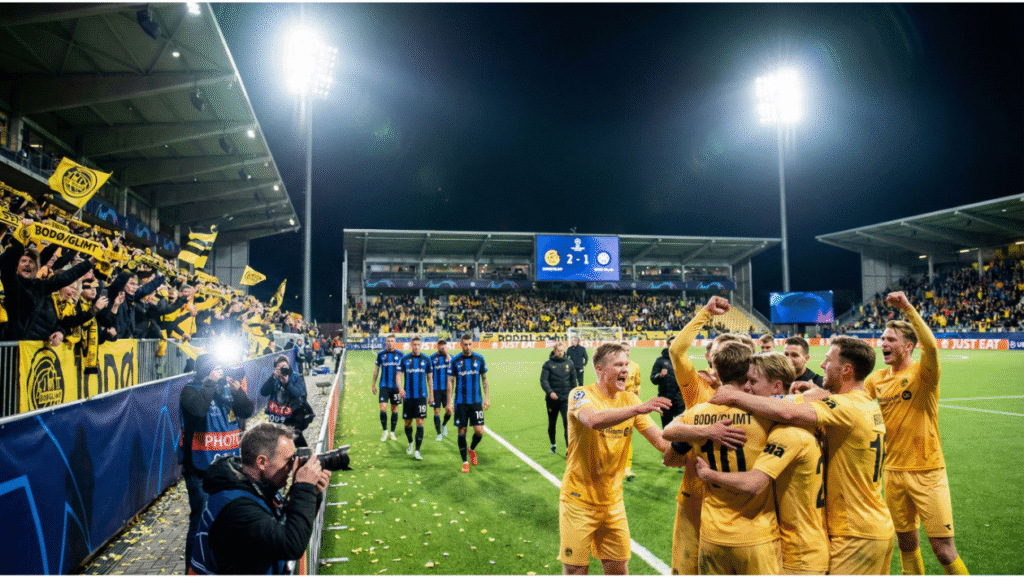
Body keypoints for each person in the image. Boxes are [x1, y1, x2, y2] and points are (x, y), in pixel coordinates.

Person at [710, 336, 895, 575]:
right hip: (872, 523)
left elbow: (787, 413)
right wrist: (814, 391)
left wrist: (735, 396)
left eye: (828, 361)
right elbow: (803, 403)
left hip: (854, 531)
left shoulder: (839, 410)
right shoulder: (866, 403)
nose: (821, 366)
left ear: (846, 369)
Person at [693, 352, 828, 575]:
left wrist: (708, 475)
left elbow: (754, 483)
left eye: (752, 382)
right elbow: (818, 395)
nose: (746, 388)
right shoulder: (792, 417)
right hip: (799, 541)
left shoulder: (787, 431)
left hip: (800, 552)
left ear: (776, 387)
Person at [865, 291, 968, 575]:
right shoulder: (877, 379)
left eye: (890, 340)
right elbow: (851, 400)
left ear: (908, 346)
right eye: (882, 339)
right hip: (893, 471)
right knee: (906, 544)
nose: (882, 343)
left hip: (927, 471)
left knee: (943, 549)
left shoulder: (925, 372)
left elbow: (931, 347)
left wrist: (909, 309)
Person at [663, 342, 780, 575]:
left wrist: (704, 430)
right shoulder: (767, 413)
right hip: (757, 532)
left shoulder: (696, 414)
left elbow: (669, 439)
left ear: (715, 371)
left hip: (712, 532)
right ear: (749, 371)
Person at [558, 342, 672, 575]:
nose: (625, 370)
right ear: (599, 369)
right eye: (618, 364)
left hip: (613, 504)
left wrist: (701, 438)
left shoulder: (630, 400)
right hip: (578, 501)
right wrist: (637, 409)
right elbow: (593, 420)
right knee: (576, 571)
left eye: (626, 364)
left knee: (618, 569)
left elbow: (662, 443)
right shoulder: (580, 394)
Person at [189, 422, 332, 574]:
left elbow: (288, 524)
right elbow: (291, 544)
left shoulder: (257, 484)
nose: (292, 467)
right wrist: (304, 488)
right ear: (262, 462)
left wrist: (312, 493)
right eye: (288, 460)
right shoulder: (236, 507)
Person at [661, 295, 732, 576]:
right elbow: (677, 351)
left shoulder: (752, 392)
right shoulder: (697, 385)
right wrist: (705, 313)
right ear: (709, 358)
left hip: (737, 497)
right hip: (695, 493)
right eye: (720, 355)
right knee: (687, 569)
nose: (726, 361)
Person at [179, 353, 254, 573]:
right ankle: (192, 571)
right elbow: (198, 410)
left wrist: (236, 389)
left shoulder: (225, 391)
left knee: (228, 519)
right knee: (200, 522)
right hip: (200, 470)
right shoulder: (190, 391)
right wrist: (210, 382)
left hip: (229, 468)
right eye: (214, 369)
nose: (220, 372)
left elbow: (247, 410)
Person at [447, 333, 490, 473]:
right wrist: (449, 401)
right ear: (461, 344)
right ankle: (465, 461)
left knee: (479, 430)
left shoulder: (479, 359)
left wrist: (487, 397)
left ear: (473, 343)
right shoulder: (455, 361)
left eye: (470, 344)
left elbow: (484, 379)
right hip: (461, 402)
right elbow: (450, 381)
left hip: (476, 401)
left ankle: (471, 448)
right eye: (465, 344)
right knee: (462, 431)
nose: (468, 347)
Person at [260, 355, 310, 448]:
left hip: (293, 417)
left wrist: (287, 384)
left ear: (288, 365)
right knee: (277, 444)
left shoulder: (297, 377)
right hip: (276, 417)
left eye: (284, 367)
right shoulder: (274, 378)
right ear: (275, 369)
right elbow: (263, 392)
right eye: (279, 368)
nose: (282, 369)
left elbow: (297, 394)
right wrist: (273, 377)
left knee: (296, 441)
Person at [398, 336, 433, 460]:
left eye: (418, 344)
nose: (416, 347)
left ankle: (417, 450)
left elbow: (430, 379)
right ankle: (410, 442)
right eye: (414, 345)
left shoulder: (426, 360)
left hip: (421, 397)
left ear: (421, 345)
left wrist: (431, 395)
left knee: (420, 421)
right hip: (408, 397)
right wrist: (401, 388)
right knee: (407, 423)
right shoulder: (404, 359)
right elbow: (398, 375)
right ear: (411, 345)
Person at [539, 341, 577, 454]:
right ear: (554, 351)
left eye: (562, 351)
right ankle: (553, 445)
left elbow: (573, 380)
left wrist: (574, 395)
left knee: (567, 423)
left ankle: (568, 448)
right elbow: (543, 380)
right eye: (558, 351)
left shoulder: (569, 363)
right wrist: (550, 392)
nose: (561, 353)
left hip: (566, 400)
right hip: (552, 400)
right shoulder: (548, 364)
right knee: (552, 423)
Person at [371, 335, 404, 442]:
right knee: (383, 408)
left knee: (394, 409)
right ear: (386, 342)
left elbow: (404, 371)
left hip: (396, 387)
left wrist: (403, 387)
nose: (390, 343)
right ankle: (385, 431)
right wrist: (373, 384)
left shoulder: (400, 355)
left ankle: (392, 432)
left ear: (395, 342)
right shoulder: (381, 354)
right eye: (388, 341)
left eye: (392, 341)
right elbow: (376, 370)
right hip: (384, 386)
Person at [649, 336, 684, 427]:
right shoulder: (660, 361)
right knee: (666, 427)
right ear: (668, 344)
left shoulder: (683, 359)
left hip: (680, 400)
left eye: (675, 343)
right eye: (671, 343)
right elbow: (653, 379)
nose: (673, 345)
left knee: (681, 427)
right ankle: (667, 442)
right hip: (664, 399)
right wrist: (659, 375)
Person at [620, 341, 642, 480]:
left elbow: (638, 384)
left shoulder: (635, 366)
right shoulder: (614, 367)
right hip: (615, 404)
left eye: (628, 350)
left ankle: (627, 469)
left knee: (627, 435)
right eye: (623, 350)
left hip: (629, 405)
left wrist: (636, 392)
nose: (626, 352)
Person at [429, 338, 453, 441]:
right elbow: (429, 375)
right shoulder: (432, 358)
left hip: (447, 390)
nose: (442, 346)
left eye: (444, 344)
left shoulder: (450, 357)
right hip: (436, 389)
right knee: (436, 411)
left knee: (449, 411)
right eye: (440, 344)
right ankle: (439, 433)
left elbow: (454, 368)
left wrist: (447, 354)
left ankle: (443, 425)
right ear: (437, 346)